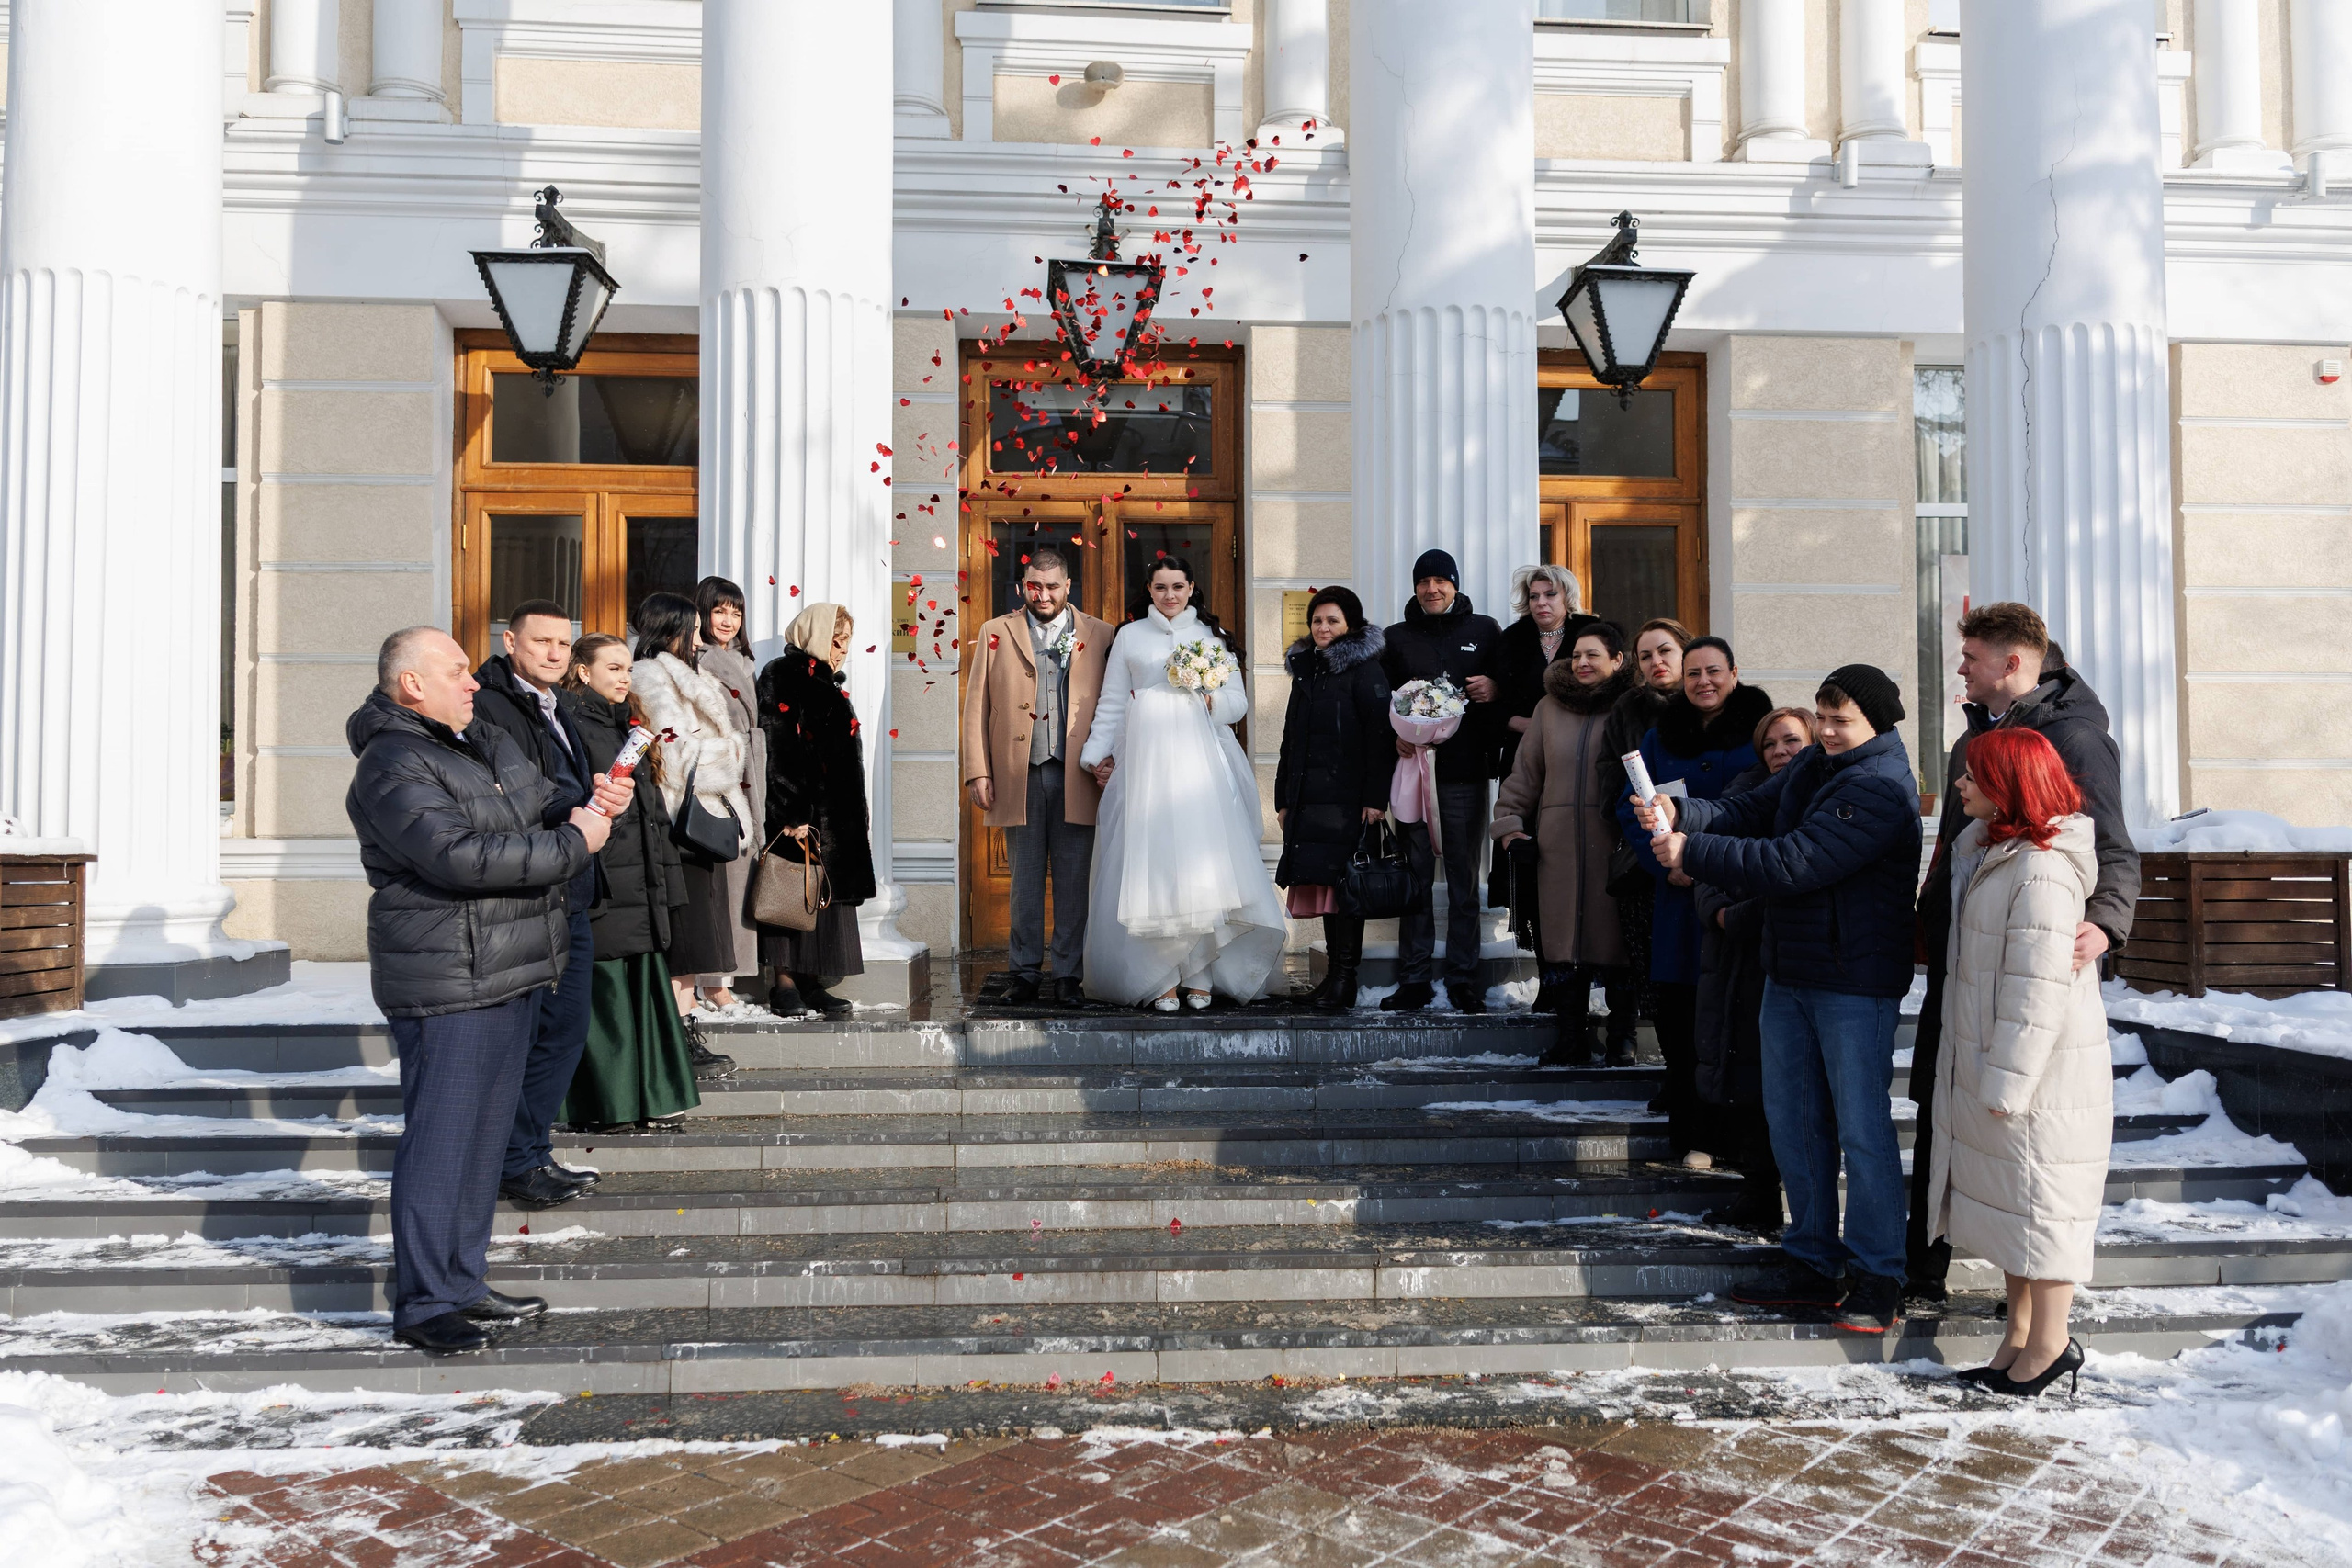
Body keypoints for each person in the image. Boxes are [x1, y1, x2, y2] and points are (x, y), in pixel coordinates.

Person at [346, 626, 626, 1355]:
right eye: (458, 671)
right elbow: (459, 858)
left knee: (480, 1144)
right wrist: (575, 843)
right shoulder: (393, 760)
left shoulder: (473, 741)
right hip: (450, 979)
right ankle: (427, 1301)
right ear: (412, 684)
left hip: (509, 969)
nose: (474, 682)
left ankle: (462, 1282)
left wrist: (588, 807)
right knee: (443, 1144)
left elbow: (540, 803)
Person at [1639, 663, 1921, 1336]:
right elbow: (1750, 809)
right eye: (1822, 716)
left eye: (1840, 720)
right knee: (1794, 1122)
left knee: (1861, 1129)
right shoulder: (1818, 766)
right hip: (1790, 972)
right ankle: (1812, 1261)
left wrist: (1693, 850)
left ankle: (1879, 1273)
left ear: (1876, 723)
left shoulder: (1879, 785)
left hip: (1852, 982)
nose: (1825, 731)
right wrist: (1683, 810)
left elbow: (1794, 860)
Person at [1905, 601, 2139, 1305]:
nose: (1959, 668)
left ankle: (2028, 1306)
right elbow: (1955, 847)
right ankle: (1925, 1267)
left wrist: (2105, 923)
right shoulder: (1975, 737)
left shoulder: (2074, 737)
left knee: (2019, 1134)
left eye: (1971, 657)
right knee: (1939, 1102)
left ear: (2012, 663)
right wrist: (1928, 920)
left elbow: (2112, 845)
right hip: (1963, 954)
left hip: (2022, 962)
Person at [1928, 728, 2109, 1398]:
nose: (1960, 785)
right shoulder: (1997, 854)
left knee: (2044, 1209)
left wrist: (2006, 1079)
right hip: (2004, 1066)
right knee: (2016, 1211)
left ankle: (2052, 1346)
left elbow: (2038, 989)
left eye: (1974, 774)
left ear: (2009, 782)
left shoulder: (2041, 869)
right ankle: (2019, 1338)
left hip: (2040, 1079)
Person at [1079, 555, 1284, 1010]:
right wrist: (1097, 756)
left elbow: (1237, 701)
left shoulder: (1212, 638)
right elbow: (1112, 702)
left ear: (1192, 588)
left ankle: (1201, 974)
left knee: (1202, 868)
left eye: (1177, 587)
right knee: (1155, 870)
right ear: (1148, 591)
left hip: (1204, 770)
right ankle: (1160, 979)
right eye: (1160, 588)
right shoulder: (1130, 636)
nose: (1169, 596)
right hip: (1147, 771)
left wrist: (1210, 699)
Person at [460, 599, 608, 1209]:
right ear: (510, 641)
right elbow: (516, 792)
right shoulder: (492, 705)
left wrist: (597, 798)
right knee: (535, 1034)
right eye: (541, 641)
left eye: (562, 644)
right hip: (524, 895)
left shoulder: (557, 706)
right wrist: (576, 805)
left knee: (564, 1030)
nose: (553, 652)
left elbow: (560, 782)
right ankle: (514, 1160)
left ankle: (530, 1151)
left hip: (565, 887)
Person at [1614, 636, 1773, 1164]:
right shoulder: (1662, 736)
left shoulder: (1761, 733)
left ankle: (1737, 1142)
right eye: (1693, 674)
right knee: (1681, 1021)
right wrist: (1665, 858)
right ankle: (1691, 1134)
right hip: (1679, 900)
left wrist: (1705, 859)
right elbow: (1630, 806)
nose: (1703, 682)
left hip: (1737, 893)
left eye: (1714, 671)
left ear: (1734, 671)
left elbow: (1767, 812)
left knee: (1736, 1021)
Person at [960, 547, 1114, 1008]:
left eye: (1051, 586)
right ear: (1021, 587)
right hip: (1018, 773)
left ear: (1068, 588)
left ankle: (1068, 974)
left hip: (1078, 774)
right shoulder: (995, 632)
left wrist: (1113, 759)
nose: (1042, 594)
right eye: (1034, 586)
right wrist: (977, 770)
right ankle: (1024, 972)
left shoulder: (1101, 634)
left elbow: (1116, 705)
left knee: (1073, 879)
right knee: (1024, 879)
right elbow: (976, 708)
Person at [559, 635, 701, 1134]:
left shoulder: (627, 724)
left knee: (639, 992)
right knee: (608, 999)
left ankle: (647, 1099)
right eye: (614, 668)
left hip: (640, 886)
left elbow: (651, 814)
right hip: (606, 886)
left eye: (627, 668)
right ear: (582, 672)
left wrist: (667, 882)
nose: (625, 677)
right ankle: (607, 1104)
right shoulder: (572, 726)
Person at [1690, 705, 1814, 1235]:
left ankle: (1797, 1207)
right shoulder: (1744, 796)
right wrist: (1717, 909)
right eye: (1771, 745)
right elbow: (1705, 859)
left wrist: (1741, 915)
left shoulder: (1822, 799)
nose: (1781, 752)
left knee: (1782, 1086)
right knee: (1744, 1082)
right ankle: (1756, 1191)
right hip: (1732, 959)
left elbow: (1797, 874)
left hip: (1785, 959)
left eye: (1792, 741)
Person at [1492, 622, 1633, 1066]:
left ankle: (1622, 1035)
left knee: (1618, 942)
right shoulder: (1549, 709)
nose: (1583, 663)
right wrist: (1511, 827)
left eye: (1594, 655)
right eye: (1577, 655)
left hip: (1616, 844)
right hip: (1557, 849)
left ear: (1617, 661)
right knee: (1562, 942)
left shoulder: (1632, 708)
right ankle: (1570, 1035)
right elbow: (1524, 774)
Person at [1380, 548, 1505, 1012]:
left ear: (1454, 584)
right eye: (1423, 582)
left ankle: (1462, 979)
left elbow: (1508, 685)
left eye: (1440, 581)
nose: (1432, 589)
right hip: (1412, 774)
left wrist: (1494, 689)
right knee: (1413, 879)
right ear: (1415, 588)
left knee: (1462, 880)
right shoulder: (1396, 637)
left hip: (1465, 775)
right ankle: (1413, 979)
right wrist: (1394, 738)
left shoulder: (1484, 630)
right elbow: (1382, 702)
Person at [630, 592, 752, 1059]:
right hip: (679, 820)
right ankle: (677, 1034)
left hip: (700, 820)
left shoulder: (687, 675)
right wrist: (732, 751)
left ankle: (685, 1027)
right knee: (685, 931)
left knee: (698, 929)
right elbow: (675, 753)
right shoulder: (649, 677)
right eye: (694, 626)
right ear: (673, 630)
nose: (701, 635)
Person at [755, 602, 876, 1014]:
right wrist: (792, 811)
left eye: (846, 642)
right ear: (813, 635)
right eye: (835, 640)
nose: (841, 650)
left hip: (834, 814)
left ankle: (811, 982)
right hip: (801, 813)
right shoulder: (781, 675)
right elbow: (779, 745)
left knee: (821, 899)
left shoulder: (829, 682)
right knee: (791, 892)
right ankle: (783, 983)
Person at [1274, 586, 1392, 1011]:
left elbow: (1382, 738)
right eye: (1317, 620)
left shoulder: (1365, 670)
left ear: (1351, 625)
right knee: (1326, 888)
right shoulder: (1306, 670)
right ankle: (1333, 979)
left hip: (1349, 802)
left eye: (1332, 621)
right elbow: (1290, 738)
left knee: (1348, 891)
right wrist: (1283, 799)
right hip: (1309, 802)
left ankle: (1346, 979)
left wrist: (1376, 798)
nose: (1323, 628)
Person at [1595, 618, 1691, 1066]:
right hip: (1644, 856)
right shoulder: (1628, 710)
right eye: (1646, 655)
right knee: (1653, 972)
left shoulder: (1709, 703)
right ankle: (1671, 1072)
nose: (1656, 662)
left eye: (1665, 651)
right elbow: (1611, 779)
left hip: (1707, 856)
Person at [693, 576, 766, 1009]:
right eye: (719, 611)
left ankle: (726, 976)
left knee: (740, 879)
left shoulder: (743, 661)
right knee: (719, 881)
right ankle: (712, 980)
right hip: (719, 781)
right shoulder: (696, 661)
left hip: (748, 776)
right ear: (702, 613)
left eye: (735, 612)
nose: (727, 620)